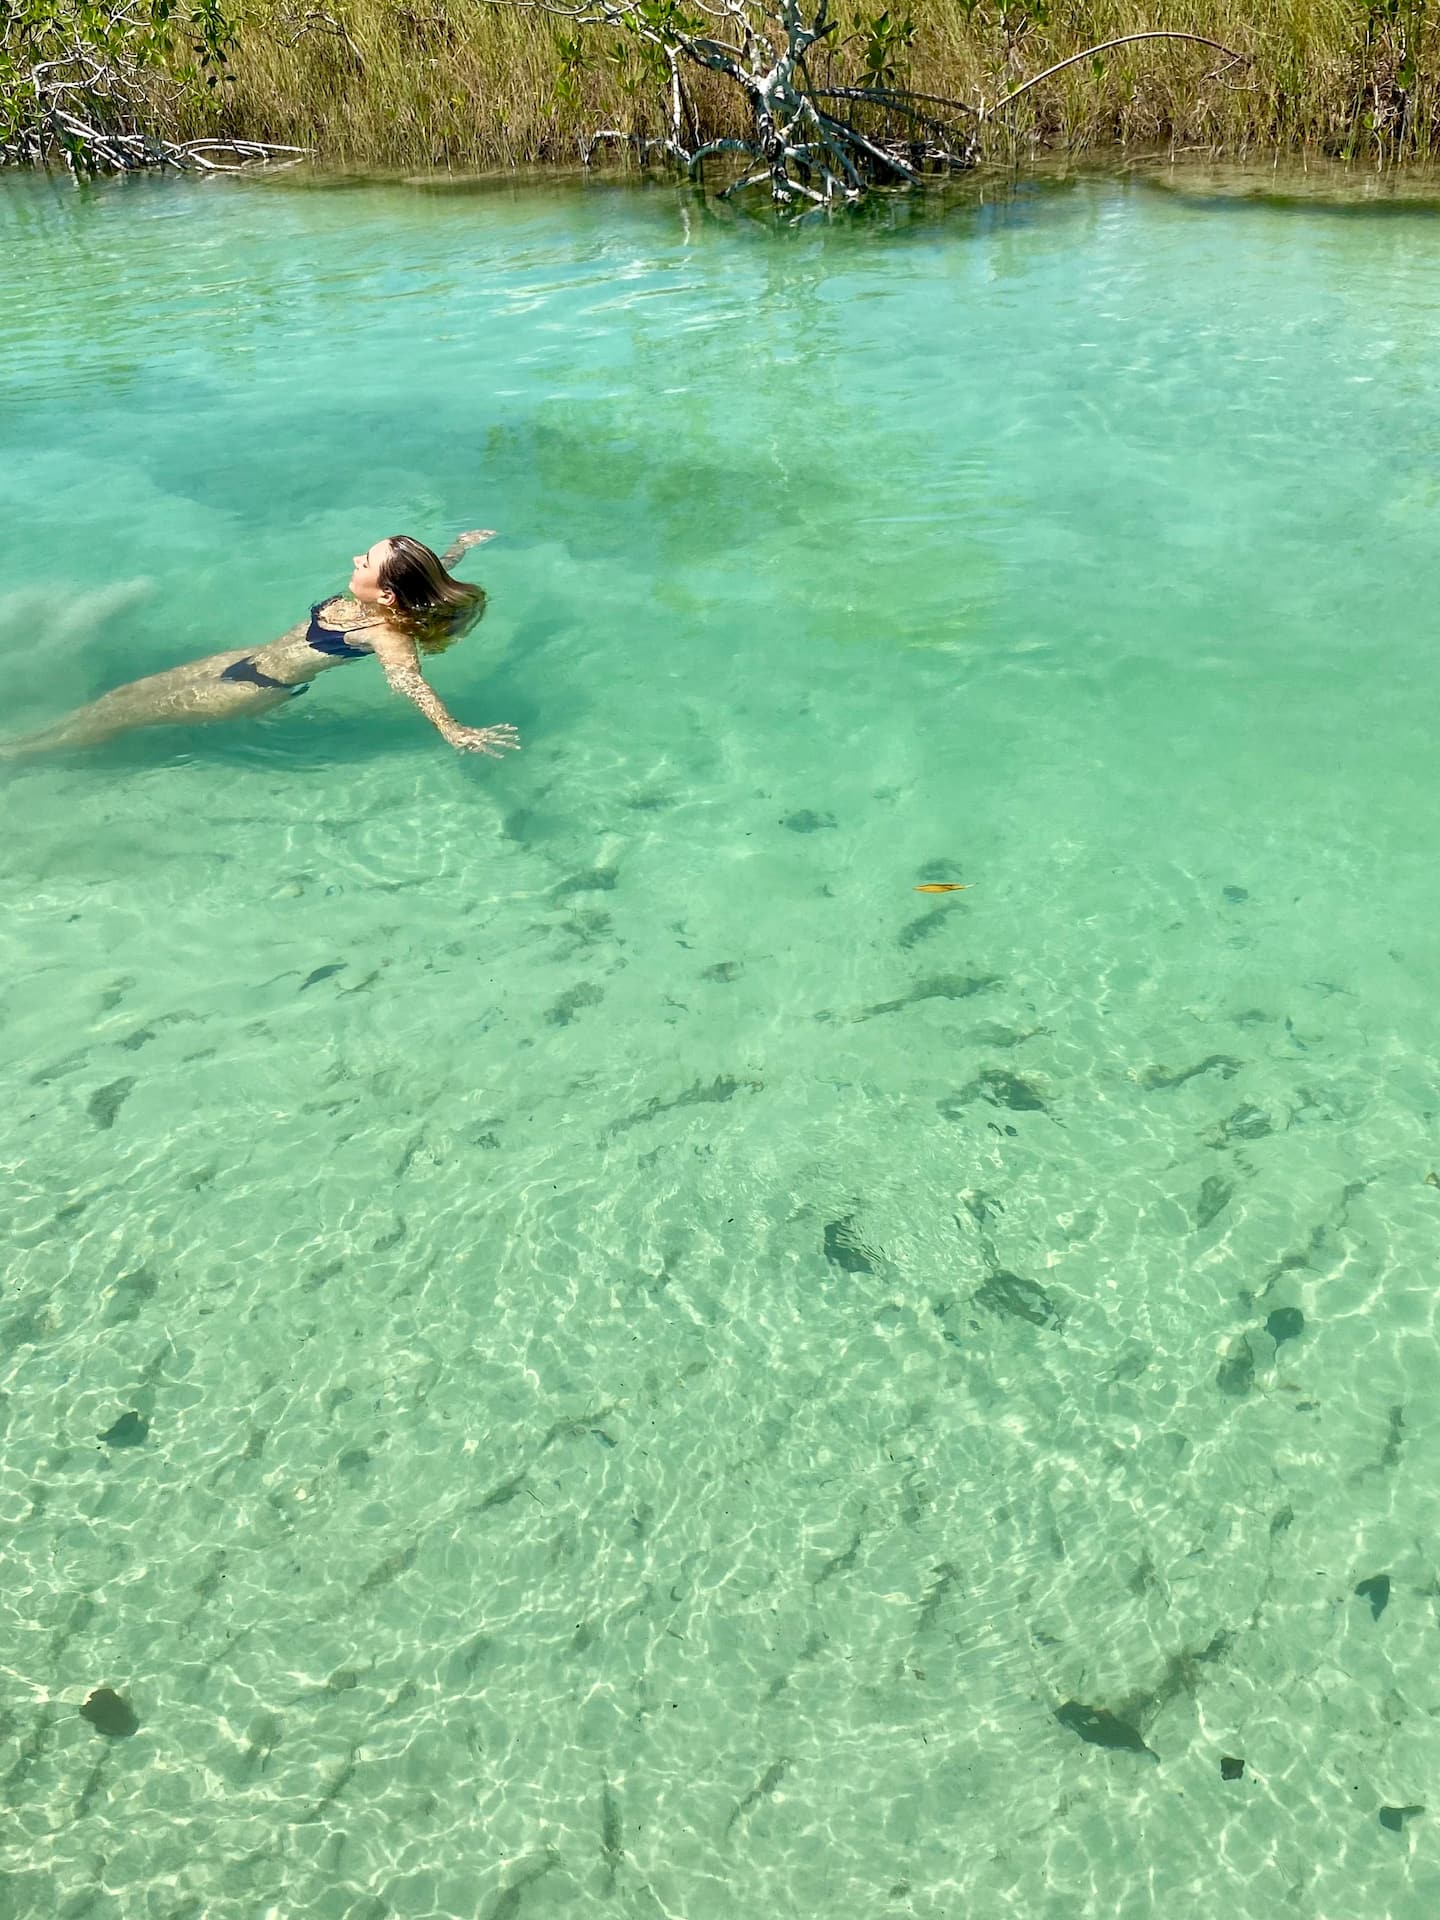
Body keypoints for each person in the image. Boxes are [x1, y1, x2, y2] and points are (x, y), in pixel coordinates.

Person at [1, 531, 520, 759]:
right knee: (118, 698)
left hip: (253, 689)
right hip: (241, 660)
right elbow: (430, 575)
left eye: (365, 561)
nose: (355, 559)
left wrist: (453, 730)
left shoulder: (387, 631)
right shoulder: (398, 595)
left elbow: (409, 682)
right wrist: (458, 549)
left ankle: (24, 754)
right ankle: (26, 739)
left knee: (120, 719)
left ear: (386, 591)